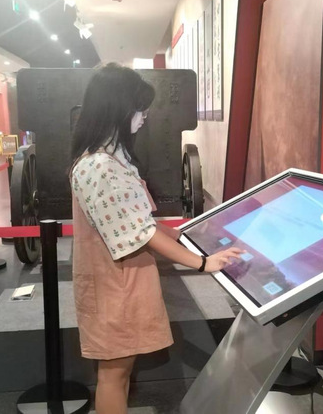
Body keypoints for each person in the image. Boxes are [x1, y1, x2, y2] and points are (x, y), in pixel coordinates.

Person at [70, 63, 244, 414]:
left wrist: (180, 234)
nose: (144, 116)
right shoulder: (101, 166)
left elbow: (138, 220)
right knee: (114, 374)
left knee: (118, 371)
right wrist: (202, 263)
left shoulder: (105, 158)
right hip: (115, 284)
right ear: (119, 108)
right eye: (139, 108)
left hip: (119, 279)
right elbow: (142, 231)